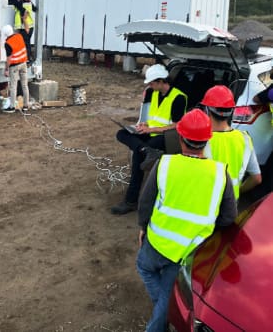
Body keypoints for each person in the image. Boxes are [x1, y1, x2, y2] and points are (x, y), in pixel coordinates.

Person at [136, 108, 237, 332]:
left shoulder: (165, 164)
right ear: (208, 140)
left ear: (180, 137)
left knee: (144, 268)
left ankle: (159, 318)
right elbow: (229, 217)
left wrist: (143, 228)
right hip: (189, 253)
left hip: (155, 244)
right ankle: (164, 305)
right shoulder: (220, 173)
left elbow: (145, 204)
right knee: (169, 293)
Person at [111, 64, 187, 215]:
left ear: (161, 81)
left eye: (152, 83)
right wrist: (145, 124)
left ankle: (130, 201)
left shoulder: (178, 97)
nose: (150, 86)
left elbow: (178, 125)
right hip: (150, 132)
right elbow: (154, 117)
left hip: (167, 136)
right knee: (121, 133)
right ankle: (145, 149)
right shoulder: (154, 93)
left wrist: (152, 129)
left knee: (138, 157)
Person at [200, 85, 262, 199]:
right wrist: (236, 192)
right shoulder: (244, 138)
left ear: (207, 110)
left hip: (205, 202)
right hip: (230, 204)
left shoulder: (202, 140)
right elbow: (256, 178)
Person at [1, 24, 30, 113]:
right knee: (25, 85)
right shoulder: (19, 36)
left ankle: (12, 107)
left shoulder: (8, 43)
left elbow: (9, 59)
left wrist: (6, 69)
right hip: (24, 63)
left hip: (14, 66)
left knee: (13, 87)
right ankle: (26, 106)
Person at [14, 0, 36, 64]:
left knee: (25, 44)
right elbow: (35, 8)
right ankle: (29, 58)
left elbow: (24, 17)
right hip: (30, 27)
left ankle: (28, 59)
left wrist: (26, 27)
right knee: (27, 43)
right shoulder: (29, 3)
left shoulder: (21, 4)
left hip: (25, 27)